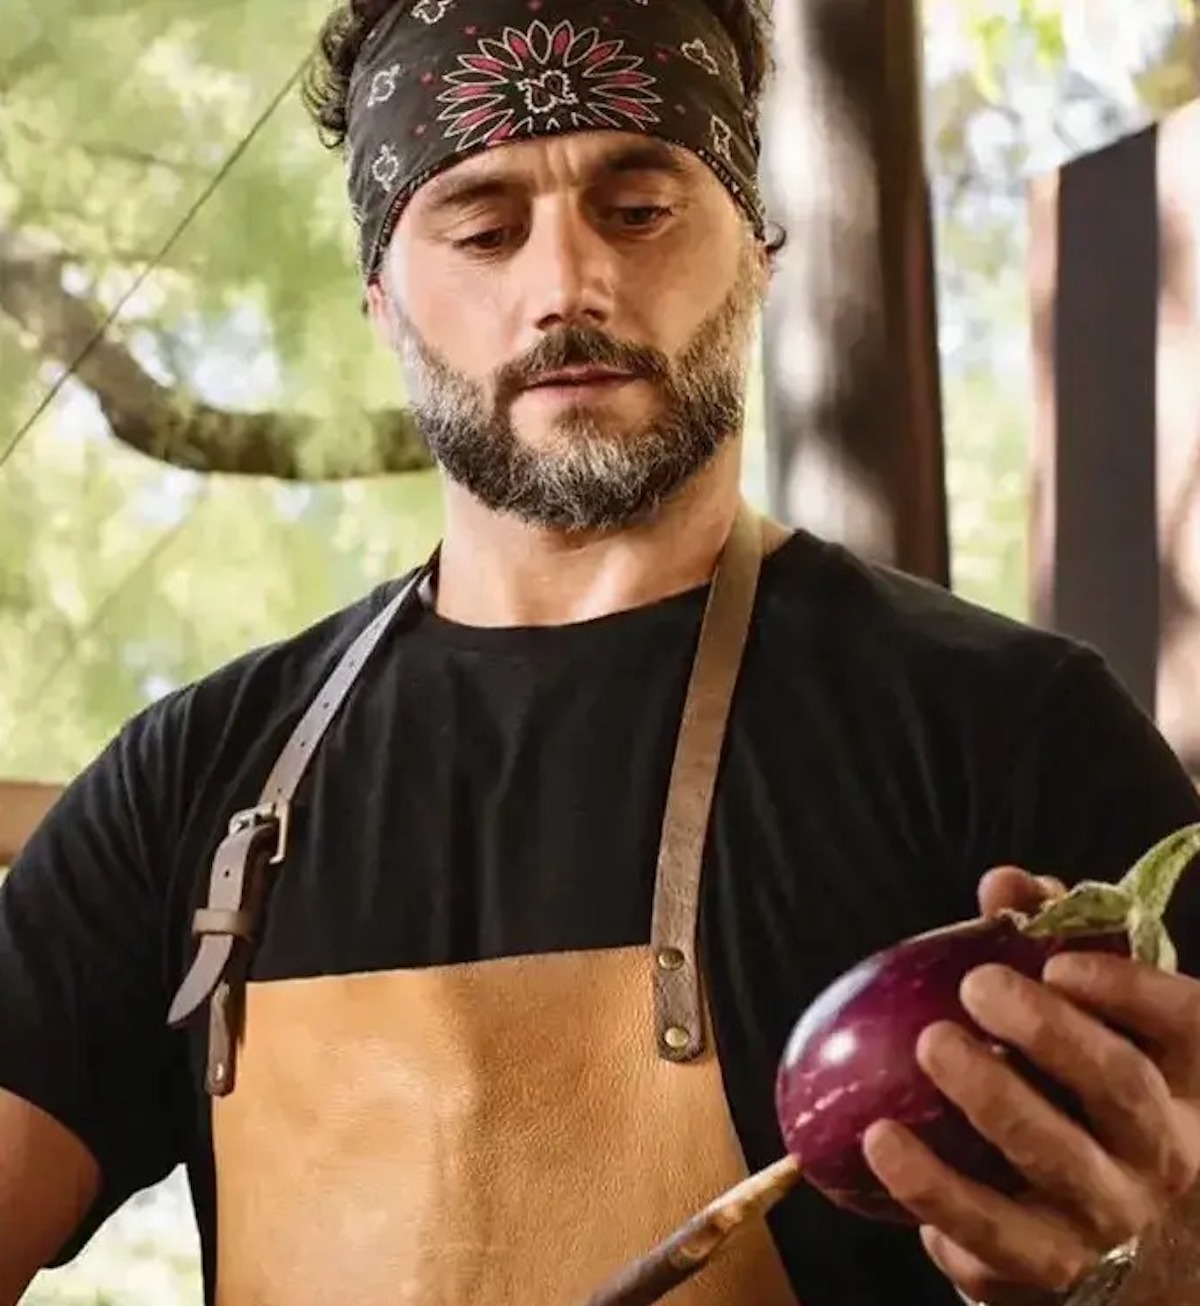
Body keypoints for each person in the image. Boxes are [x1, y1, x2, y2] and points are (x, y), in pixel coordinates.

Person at [2, 1, 1199, 1304]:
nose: (565, 284)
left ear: (758, 253)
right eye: (482, 226)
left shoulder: (1012, 734)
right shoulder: (191, 787)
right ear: (380, 298)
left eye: (638, 210)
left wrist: (1149, 1259)